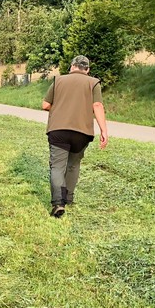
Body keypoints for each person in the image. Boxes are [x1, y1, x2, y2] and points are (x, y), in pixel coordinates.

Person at [42, 54, 109, 218]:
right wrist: (104, 131)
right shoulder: (93, 83)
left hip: (58, 130)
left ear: (72, 67)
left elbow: (45, 105)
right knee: (73, 165)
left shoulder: (59, 80)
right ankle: (69, 198)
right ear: (87, 69)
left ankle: (58, 203)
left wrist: (60, 111)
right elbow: (98, 105)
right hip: (82, 132)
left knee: (57, 167)